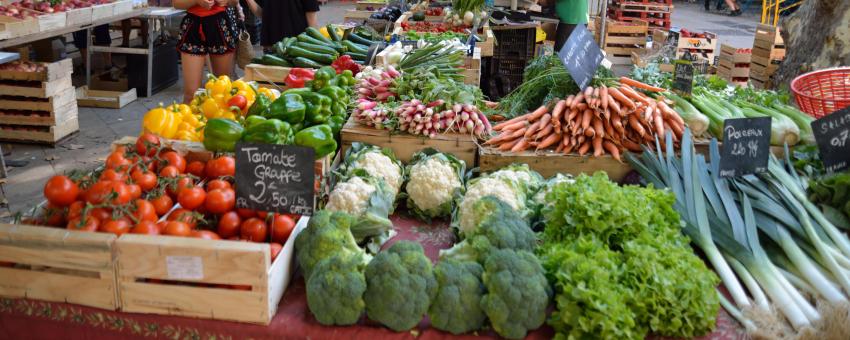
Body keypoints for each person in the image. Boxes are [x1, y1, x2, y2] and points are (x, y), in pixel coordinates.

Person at [173, 0, 241, 103]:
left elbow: (234, 2)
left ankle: (218, 117)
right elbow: (176, 3)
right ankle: (189, 118)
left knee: (222, 91)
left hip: (220, 25)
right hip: (193, 25)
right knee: (191, 95)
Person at [242, 0, 320, 49]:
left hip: (297, 47)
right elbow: (262, 13)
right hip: (271, 46)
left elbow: (311, 17)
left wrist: (315, 46)